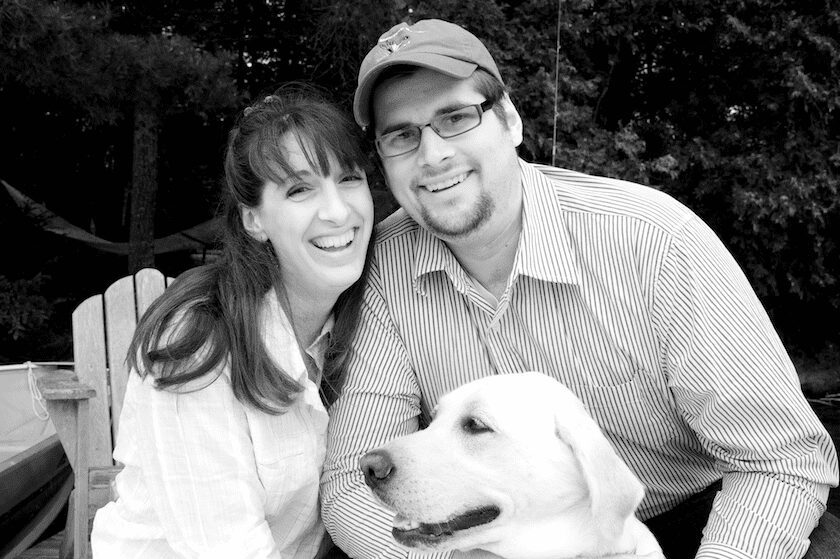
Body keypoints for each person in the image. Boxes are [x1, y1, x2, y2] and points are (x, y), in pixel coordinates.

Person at [320, 19, 840, 559]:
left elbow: (779, 459)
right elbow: (354, 485)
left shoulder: (654, 240)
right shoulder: (381, 269)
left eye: (455, 118)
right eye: (402, 135)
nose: (432, 155)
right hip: (505, 538)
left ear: (510, 120)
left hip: (704, 517)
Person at [90, 86, 375, 558]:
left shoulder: (367, 316)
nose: (337, 211)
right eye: (300, 189)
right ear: (253, 220)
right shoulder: (197, 342)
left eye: (348, 179)